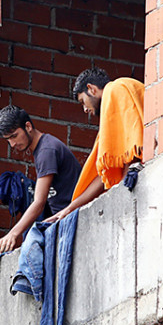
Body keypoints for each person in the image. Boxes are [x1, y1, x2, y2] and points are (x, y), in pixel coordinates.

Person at [46, 68, 144, 223]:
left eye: (82, 101)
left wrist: (123, 191)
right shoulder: (109, 115)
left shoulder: (116, 88)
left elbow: (133, 151)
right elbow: (102, 173)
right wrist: (69, 209)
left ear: (91, 89)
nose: (85, 109)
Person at [0, 106, 81, 253]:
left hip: (74, 221)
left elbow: (39, 202)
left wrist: (13, 234)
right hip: (62, 222)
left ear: (27, 126)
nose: (12, 144)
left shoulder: (47, 150)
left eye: (14, 136)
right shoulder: (42, 148)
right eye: (8, 139)